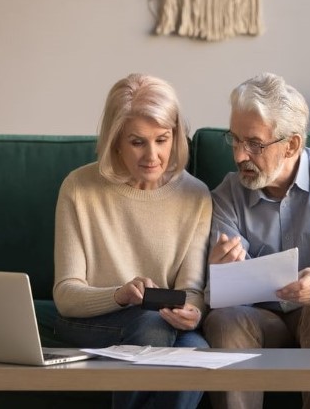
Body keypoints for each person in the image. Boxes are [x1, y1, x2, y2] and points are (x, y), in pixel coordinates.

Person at [203, 73, 310, 409]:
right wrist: (219, 272)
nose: (240, 155)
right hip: (263, 319)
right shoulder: (226, 194)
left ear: (292, 145)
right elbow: (219, 293)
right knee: (224, 321)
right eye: (235, 140)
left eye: (254, 144)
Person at [53, 73, 212, 409]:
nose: (152, 155)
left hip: (163, 324)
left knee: (195, 350)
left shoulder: (197, 195)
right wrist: (120, 294)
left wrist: (193, 313)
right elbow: (66, 295)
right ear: (116, 140)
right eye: (137, 142)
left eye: (162, 139)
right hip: (91, 319)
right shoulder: (78, 187)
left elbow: (193, 291)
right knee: (152, 326)